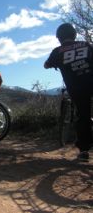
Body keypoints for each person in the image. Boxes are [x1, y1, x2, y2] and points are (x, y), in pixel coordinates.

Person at [44, 23, 93, 162]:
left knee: (83, 116)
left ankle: (84, 150)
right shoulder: (86, 44)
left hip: (78, 88)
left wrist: (54, 64)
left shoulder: (58, 51)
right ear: (74, 34)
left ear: (59, 37)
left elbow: (46, 65)